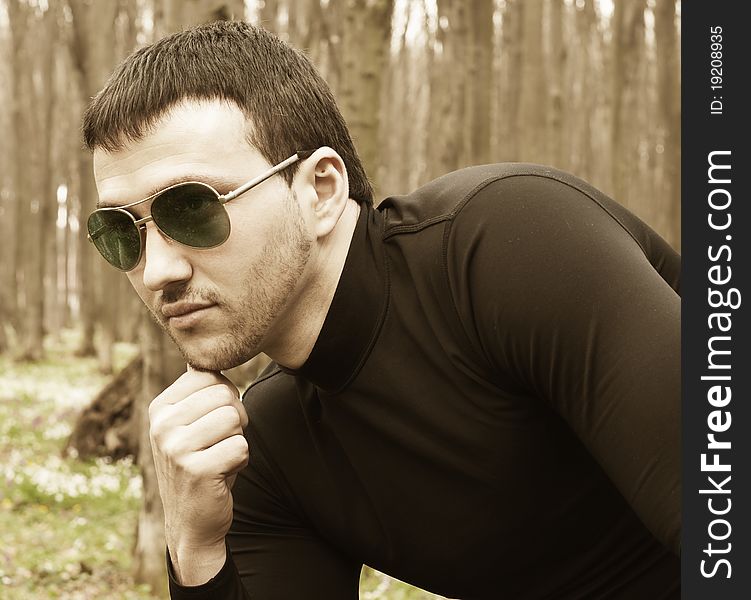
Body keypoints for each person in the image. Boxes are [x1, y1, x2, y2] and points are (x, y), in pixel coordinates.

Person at [83, 20, 680, 600]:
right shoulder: (265, 449)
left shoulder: (509, 246)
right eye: (121, 232)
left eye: (193, 208)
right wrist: (195, 555)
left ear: (320, 190)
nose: (157, 271)